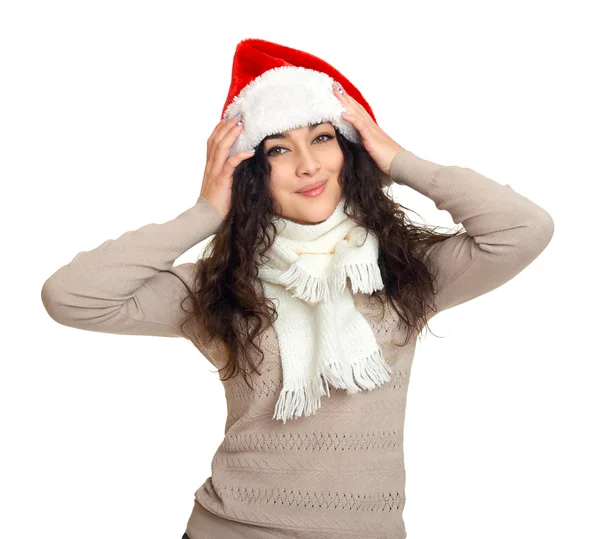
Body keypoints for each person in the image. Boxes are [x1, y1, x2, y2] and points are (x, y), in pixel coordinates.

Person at [41, 38, 555, 539]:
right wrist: (205, 213)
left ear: (351, 152)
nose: (307, 165)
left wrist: (398, 159)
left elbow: (524, 230)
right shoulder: (218, 286)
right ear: (250, 174)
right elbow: (70, 296)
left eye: (323, 138)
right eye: (279, 149)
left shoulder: (403, 272)